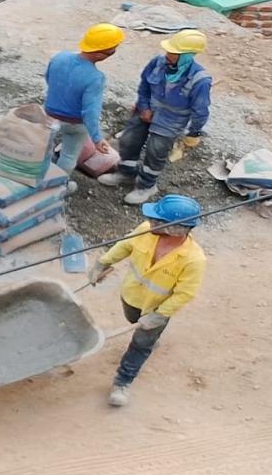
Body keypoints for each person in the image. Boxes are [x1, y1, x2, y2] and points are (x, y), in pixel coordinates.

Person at [88, 195, 206, 407]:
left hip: (156, 308)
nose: (150, 221)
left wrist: (159, 316)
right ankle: (150, 337)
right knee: (133, 320)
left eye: (157, 219)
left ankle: (122, 382)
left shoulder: (193, 259)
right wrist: (102, 263)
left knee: (141, 343)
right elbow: (124, 246)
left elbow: (185, 293)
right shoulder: (145, 230)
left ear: (174, 229)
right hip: (131, 296)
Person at [98, 30, 212, 204]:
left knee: (156, 151)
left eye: (173, 53)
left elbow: (201, 109)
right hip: (146, 110)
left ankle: (146, 186)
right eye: (169, 51)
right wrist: (143, 107)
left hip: (171, 121)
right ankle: (125, 173)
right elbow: (144, 86)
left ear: (187, 56)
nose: (168, 55)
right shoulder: (157, 63)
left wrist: (193, 133)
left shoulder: (199, 80)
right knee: (129, 141)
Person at [44, 23, 125, 186]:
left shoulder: (59, 57)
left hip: (48, 116)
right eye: (111, 51)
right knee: (68, 156)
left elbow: (48, 79)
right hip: (75, 123)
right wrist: (97, 138)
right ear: (100, 55)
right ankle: (57, 186)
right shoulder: (95, 77)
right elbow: (90, 111)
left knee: (43, 149)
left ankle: (38, 173)